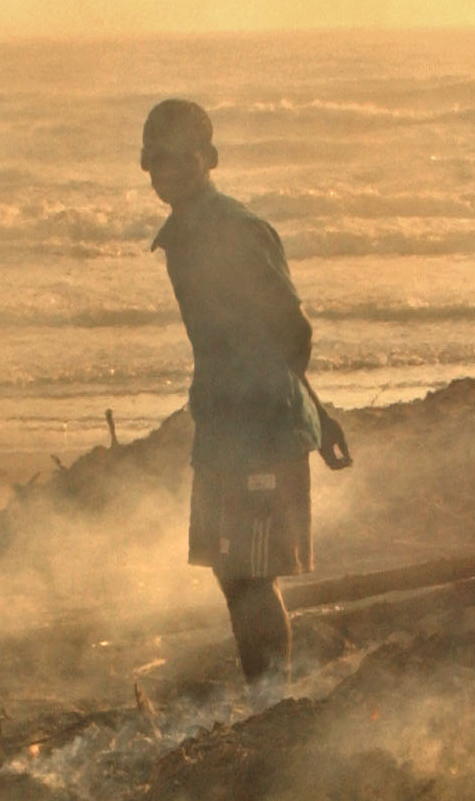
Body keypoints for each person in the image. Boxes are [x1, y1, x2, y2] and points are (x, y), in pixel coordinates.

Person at [142, 98, 344, 685]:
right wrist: (320, 414)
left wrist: (302, 412)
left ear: (209, 158)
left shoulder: (238, 230)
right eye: (155, 160)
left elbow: (291, 330)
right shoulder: (181, 235)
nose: (166, 171)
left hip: (262, 424)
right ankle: (267, 696)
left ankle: (271, 704)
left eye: (180, 157)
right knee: (231, 572)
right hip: (223, 422)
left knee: (253, 573)